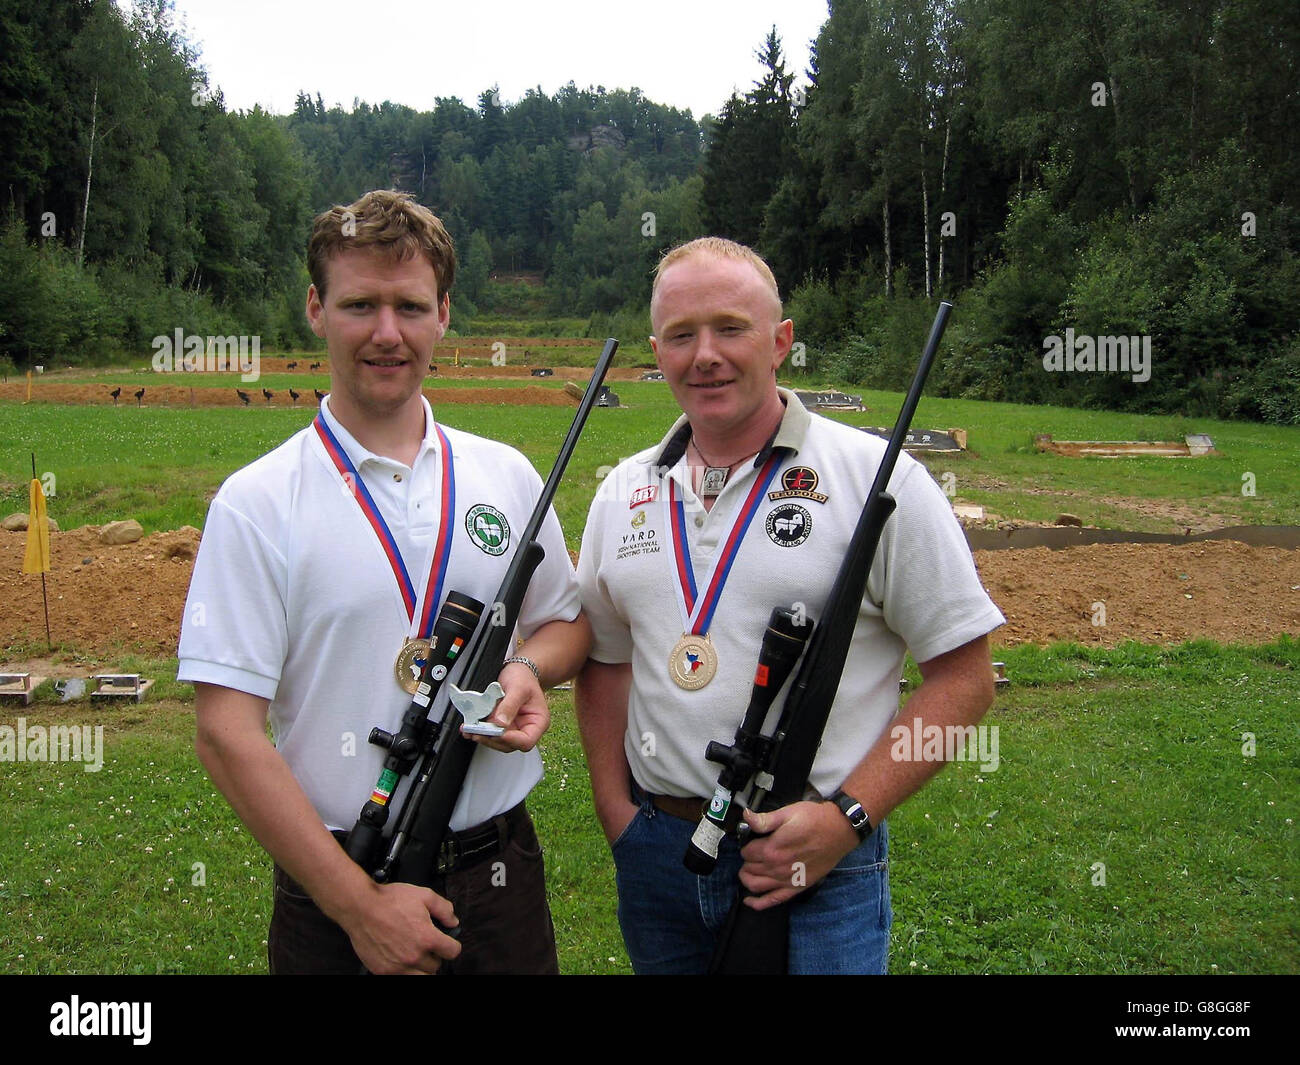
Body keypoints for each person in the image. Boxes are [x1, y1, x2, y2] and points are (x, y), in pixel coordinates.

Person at [179, 190, 591, 975]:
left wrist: (526, 670)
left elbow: (566, 625)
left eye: (408, 305)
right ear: (315, 308)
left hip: (497, 877)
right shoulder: (258, 501)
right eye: (360, 304)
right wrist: (359, 908)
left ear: (443, 313)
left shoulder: (505, 474)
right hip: (334, 887)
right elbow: (225, 732)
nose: (386, 333)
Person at [574, 237, 1005, 974]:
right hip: (659, 855)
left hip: (818, 863)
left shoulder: (878, 479)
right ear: (656, 350)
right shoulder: (623, 490)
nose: (704, 354)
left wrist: (848, 819)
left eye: (730, 328)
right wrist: (619, 814)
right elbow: (605, 660)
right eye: (681, 335)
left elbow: (965, 682)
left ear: (780, 343)